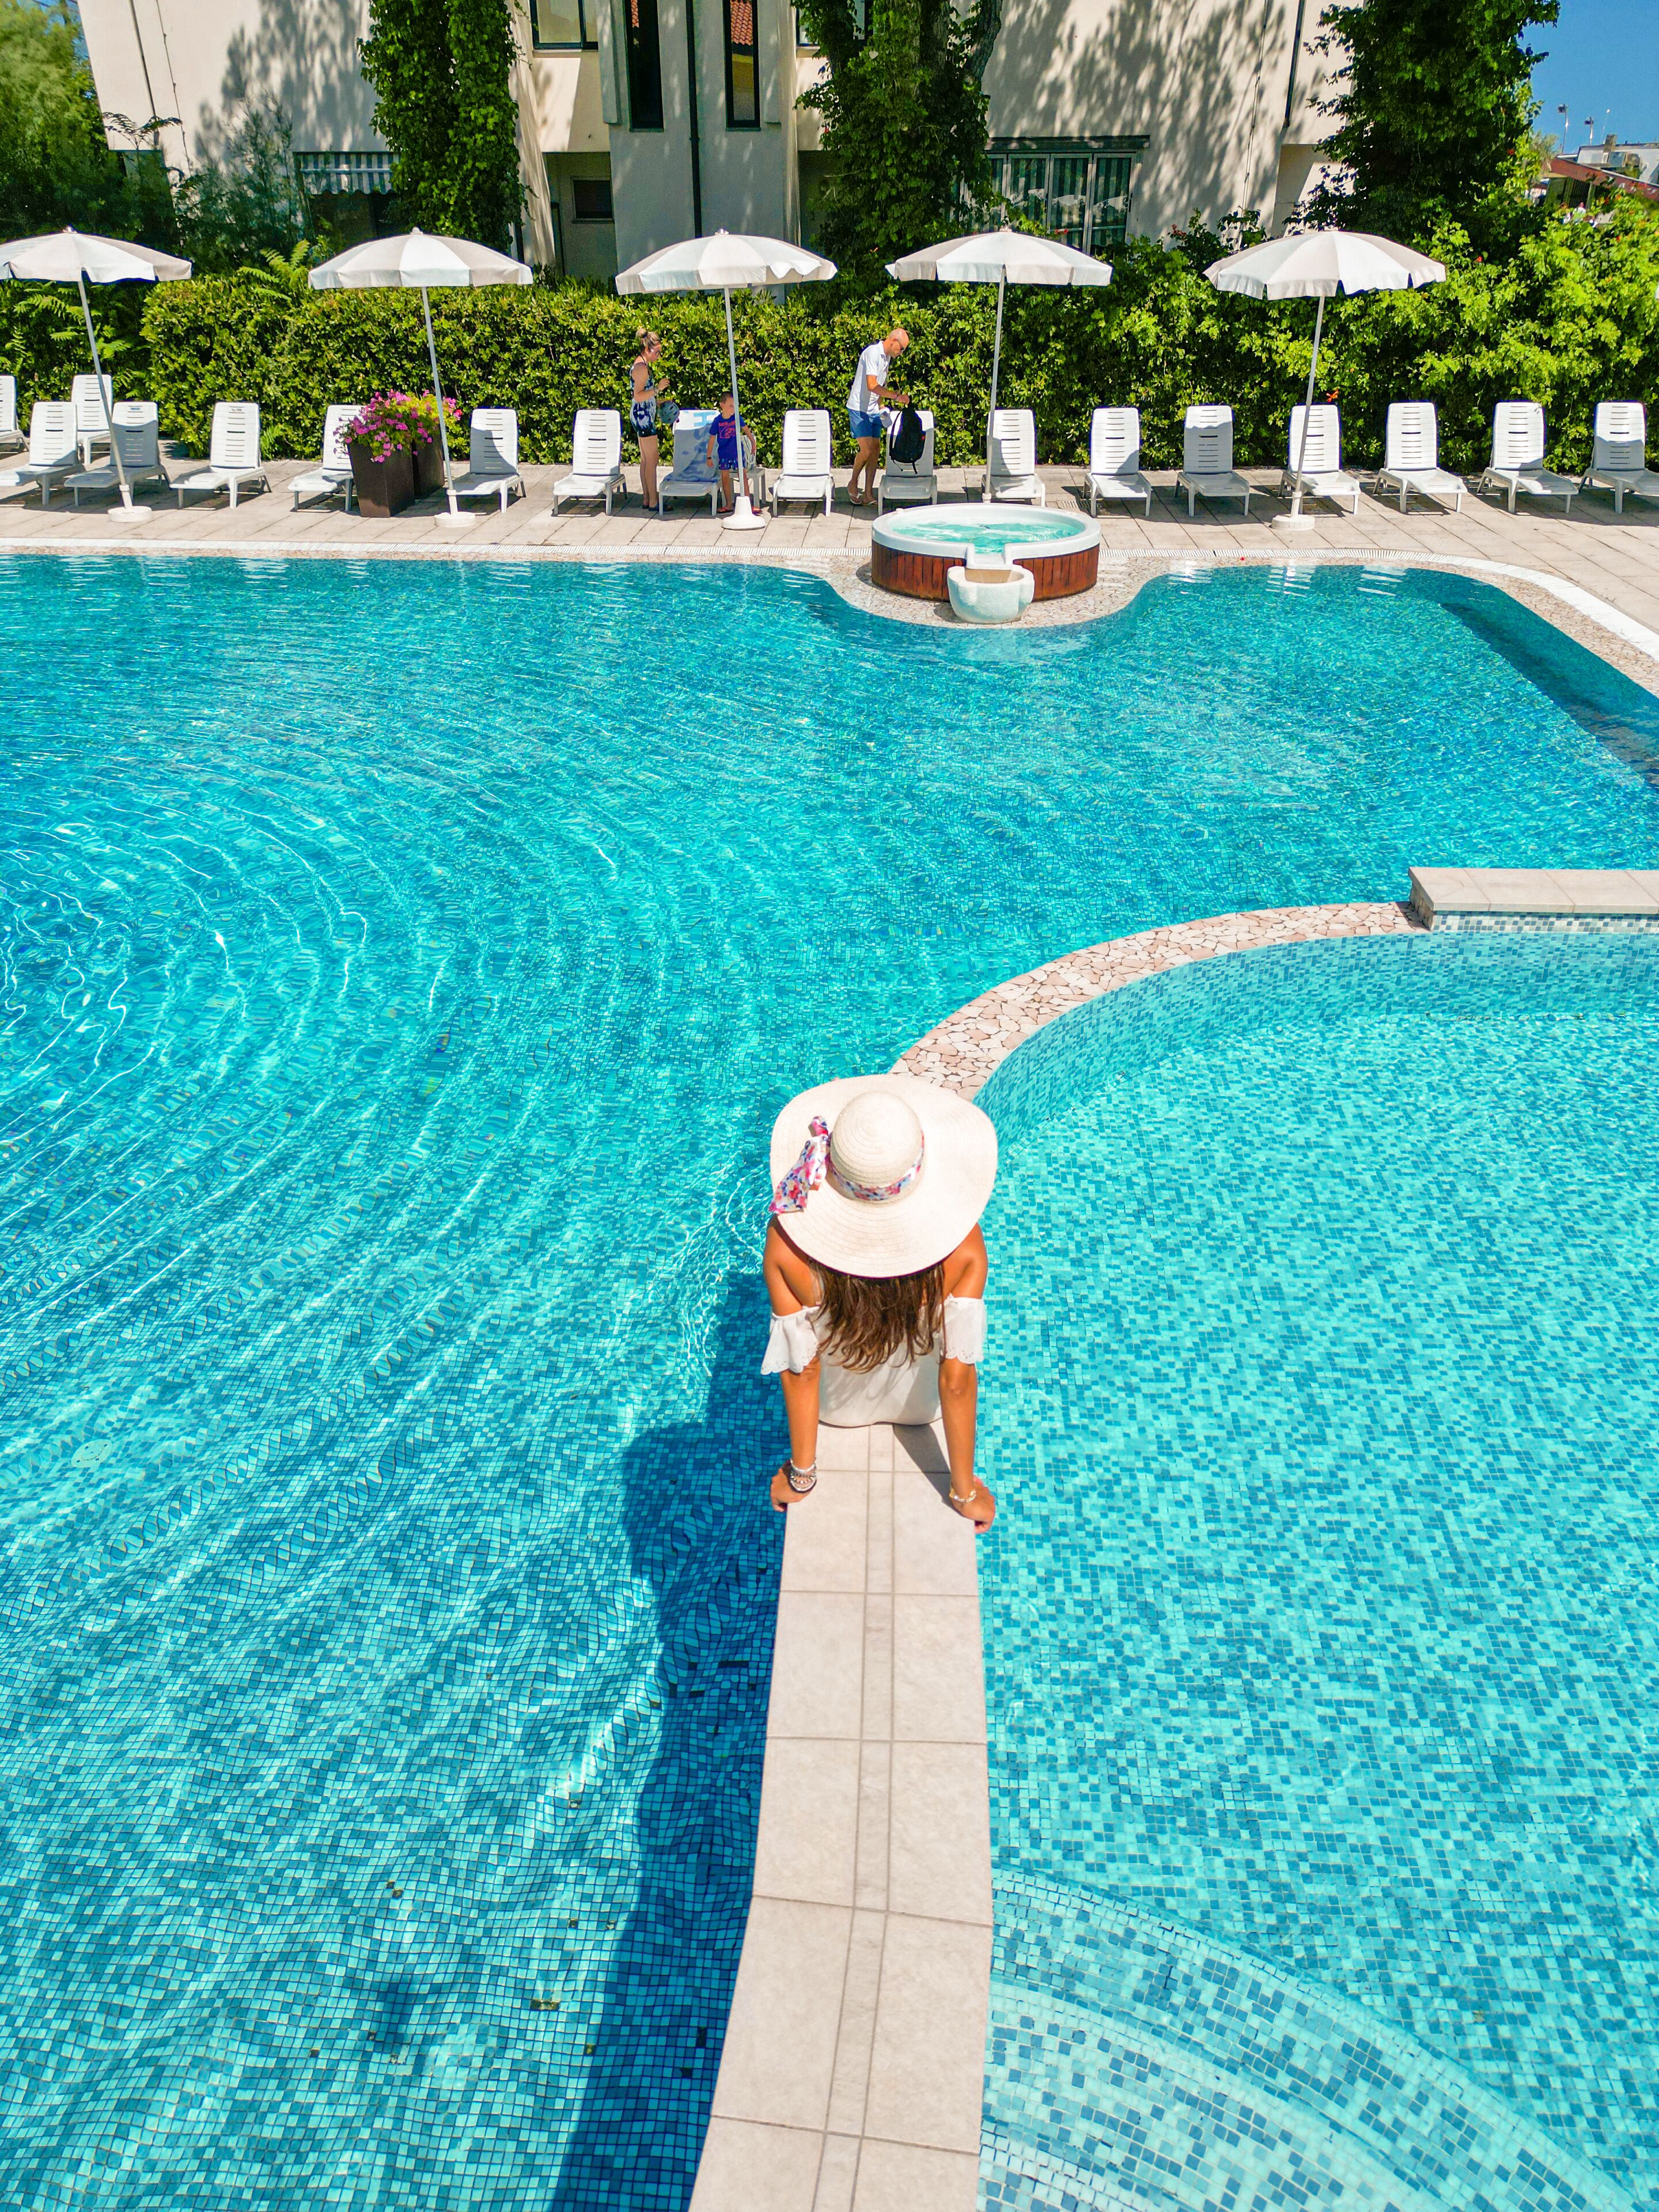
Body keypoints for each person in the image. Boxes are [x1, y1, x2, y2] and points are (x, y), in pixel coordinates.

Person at [761, 1074, 998, 1532]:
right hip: (919, 1409)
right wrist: (965, 1492)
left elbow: (801, 1368)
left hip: (836, 1411)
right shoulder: (965, 1249)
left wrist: (802, 1477)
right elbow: (956, 1379)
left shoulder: (784, 1247)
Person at [846, 328, 909, 508]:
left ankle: (867, 494)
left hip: (873, 408)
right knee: (866, 450)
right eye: (902, 348)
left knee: (875, 450)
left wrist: (881, 405)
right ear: (893, 341)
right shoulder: (873, 353)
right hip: (859, 408)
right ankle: (853, 482)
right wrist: (897, 397)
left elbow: (880, 385)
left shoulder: (887, 358)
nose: (902, 353)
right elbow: (872, 385)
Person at [630, 329, 671, 510]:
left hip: (643, 414)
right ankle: (654, 501)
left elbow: (643, 396)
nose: (659, 356)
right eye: (657, 352)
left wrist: (659, 401)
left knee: (646, 460)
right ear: (647, 349)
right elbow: (638, 396)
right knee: (652, 460)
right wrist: (657, 389)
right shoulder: (641, 368)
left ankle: (647, 498)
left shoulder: (642, 365)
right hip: (643, 417)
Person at [706, 392, 743, 516]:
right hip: (723, 454)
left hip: (737, 453)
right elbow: (712, 439)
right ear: (722, 405)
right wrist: (709, 456)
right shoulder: (718, 421)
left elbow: (746, 430)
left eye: (735, 406)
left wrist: (753, 443)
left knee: (742, 476)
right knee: (725, 479)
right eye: (731, 406)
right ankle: (728, 504)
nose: (733, 408)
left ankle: (748, 503)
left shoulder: (736, 417)